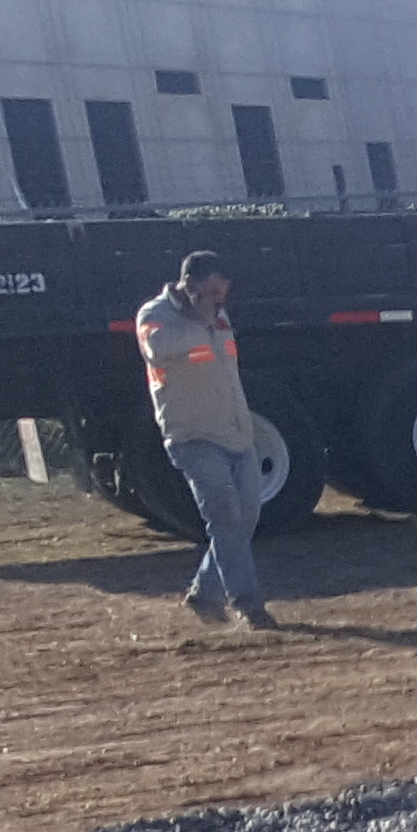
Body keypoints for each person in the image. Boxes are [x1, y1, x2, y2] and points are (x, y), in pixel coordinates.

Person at [135, 249, 278, 630]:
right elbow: (157, 350)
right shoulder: (154, 315)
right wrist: (198, 322)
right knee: (225, 517)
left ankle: (204, 593)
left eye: (222, 294)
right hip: (192, 435)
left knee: (246, 518)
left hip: (237, 433)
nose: (218, 301)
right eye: (212, 293)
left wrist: (209, 317)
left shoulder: (219, 316)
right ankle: (249, 605)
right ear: (189, 285)